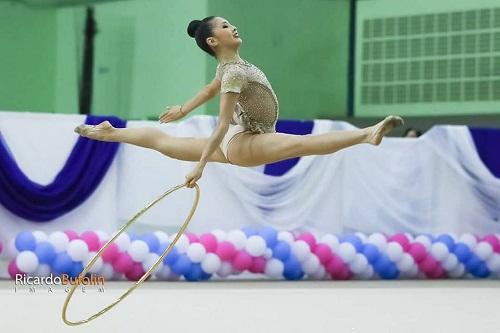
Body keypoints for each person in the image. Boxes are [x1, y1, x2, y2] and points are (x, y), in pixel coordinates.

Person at [74, 16, 404, 188]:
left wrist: (183, 110)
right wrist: (201, 167)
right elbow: (220, 122)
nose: (234, 26)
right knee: (305, 144)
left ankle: (110, 133)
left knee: (165, 142)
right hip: (244, 141)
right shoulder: (231, 72)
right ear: (214, 40)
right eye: (225, 26)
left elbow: (207, 90)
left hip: (240, 137)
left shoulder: (229, 69)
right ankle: (367, 134)